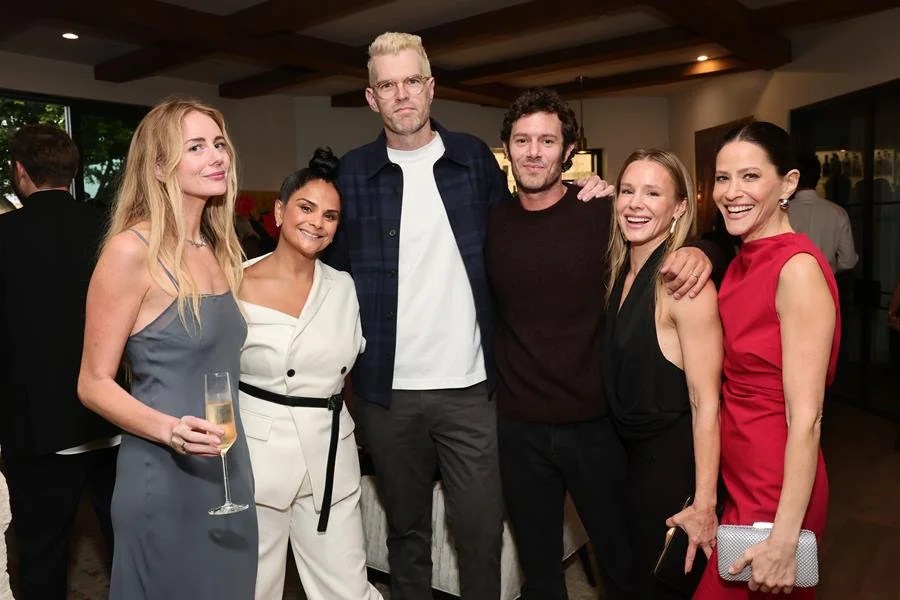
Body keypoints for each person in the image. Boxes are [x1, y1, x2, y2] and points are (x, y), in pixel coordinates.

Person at [325, 33, 613, 600]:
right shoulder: (352, 175)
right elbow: (326, 274)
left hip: (473, 392)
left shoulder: (473, 160)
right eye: (388, 85)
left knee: (480, 534)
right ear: (371, 97)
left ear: (431, 88)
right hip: (387, 393)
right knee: (407, 535)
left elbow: (525, 217)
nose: (401, 94)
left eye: (412, 81)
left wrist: (588, 190)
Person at [485, 88, 716, 600]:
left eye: (548, 140)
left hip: (595, 426)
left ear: (569, 151)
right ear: (507, 148)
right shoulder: (492, 221)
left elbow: (662, 221)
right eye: (521, 140)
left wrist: (702, 252)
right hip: (518, 427)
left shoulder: (602, 211)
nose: (534, 151)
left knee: (621, 562)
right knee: (540, 569)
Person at [77, 98, 258, 599]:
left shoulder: (219, 250)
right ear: (159, 167)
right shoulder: (130, 251)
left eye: (219, 144)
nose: (216, 156)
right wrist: (170, 430)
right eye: (195, 147)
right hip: (164, 472)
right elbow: (92, 384)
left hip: (228, 469)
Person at [694, 121, 840, 598]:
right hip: (740, 475)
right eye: (722, 178)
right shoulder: (742, 258)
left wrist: (784, 538)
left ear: (789, 183)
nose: (731, 192)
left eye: (750, 177)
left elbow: (808, 420)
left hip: (776, 487)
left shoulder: (795, 269)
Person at [237, 148, 381, 600]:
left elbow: (352, 368)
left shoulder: (343, 287)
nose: (317, 223)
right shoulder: (232, 282)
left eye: (331, 216)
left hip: (331, 454)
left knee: (347, 587)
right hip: (258, 459)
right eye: (306, 208)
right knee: (253, 585)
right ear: (279, 211)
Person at [0, 123, 119, 599]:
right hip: (113, 417)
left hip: (36, 425)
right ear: (71, 173)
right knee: (127, 543)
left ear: (20, 172)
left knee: (42, 554)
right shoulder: (111, 231)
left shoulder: (5, 237)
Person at [603, 149, 722, 599]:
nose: (636, 203)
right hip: (626, 462)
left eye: (653, 193)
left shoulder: (684, 287)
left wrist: (704, 504)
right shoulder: (620, 272)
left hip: (670, 473)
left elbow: (706, 402)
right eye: (628, 191)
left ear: (679, 208)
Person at [788, 152, 858, 274]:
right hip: (826, 284)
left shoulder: (782, 212)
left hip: (788, 284)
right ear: (818, 176)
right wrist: (829, 265)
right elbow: (848, 261)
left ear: (793, 178)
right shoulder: (837, 212)